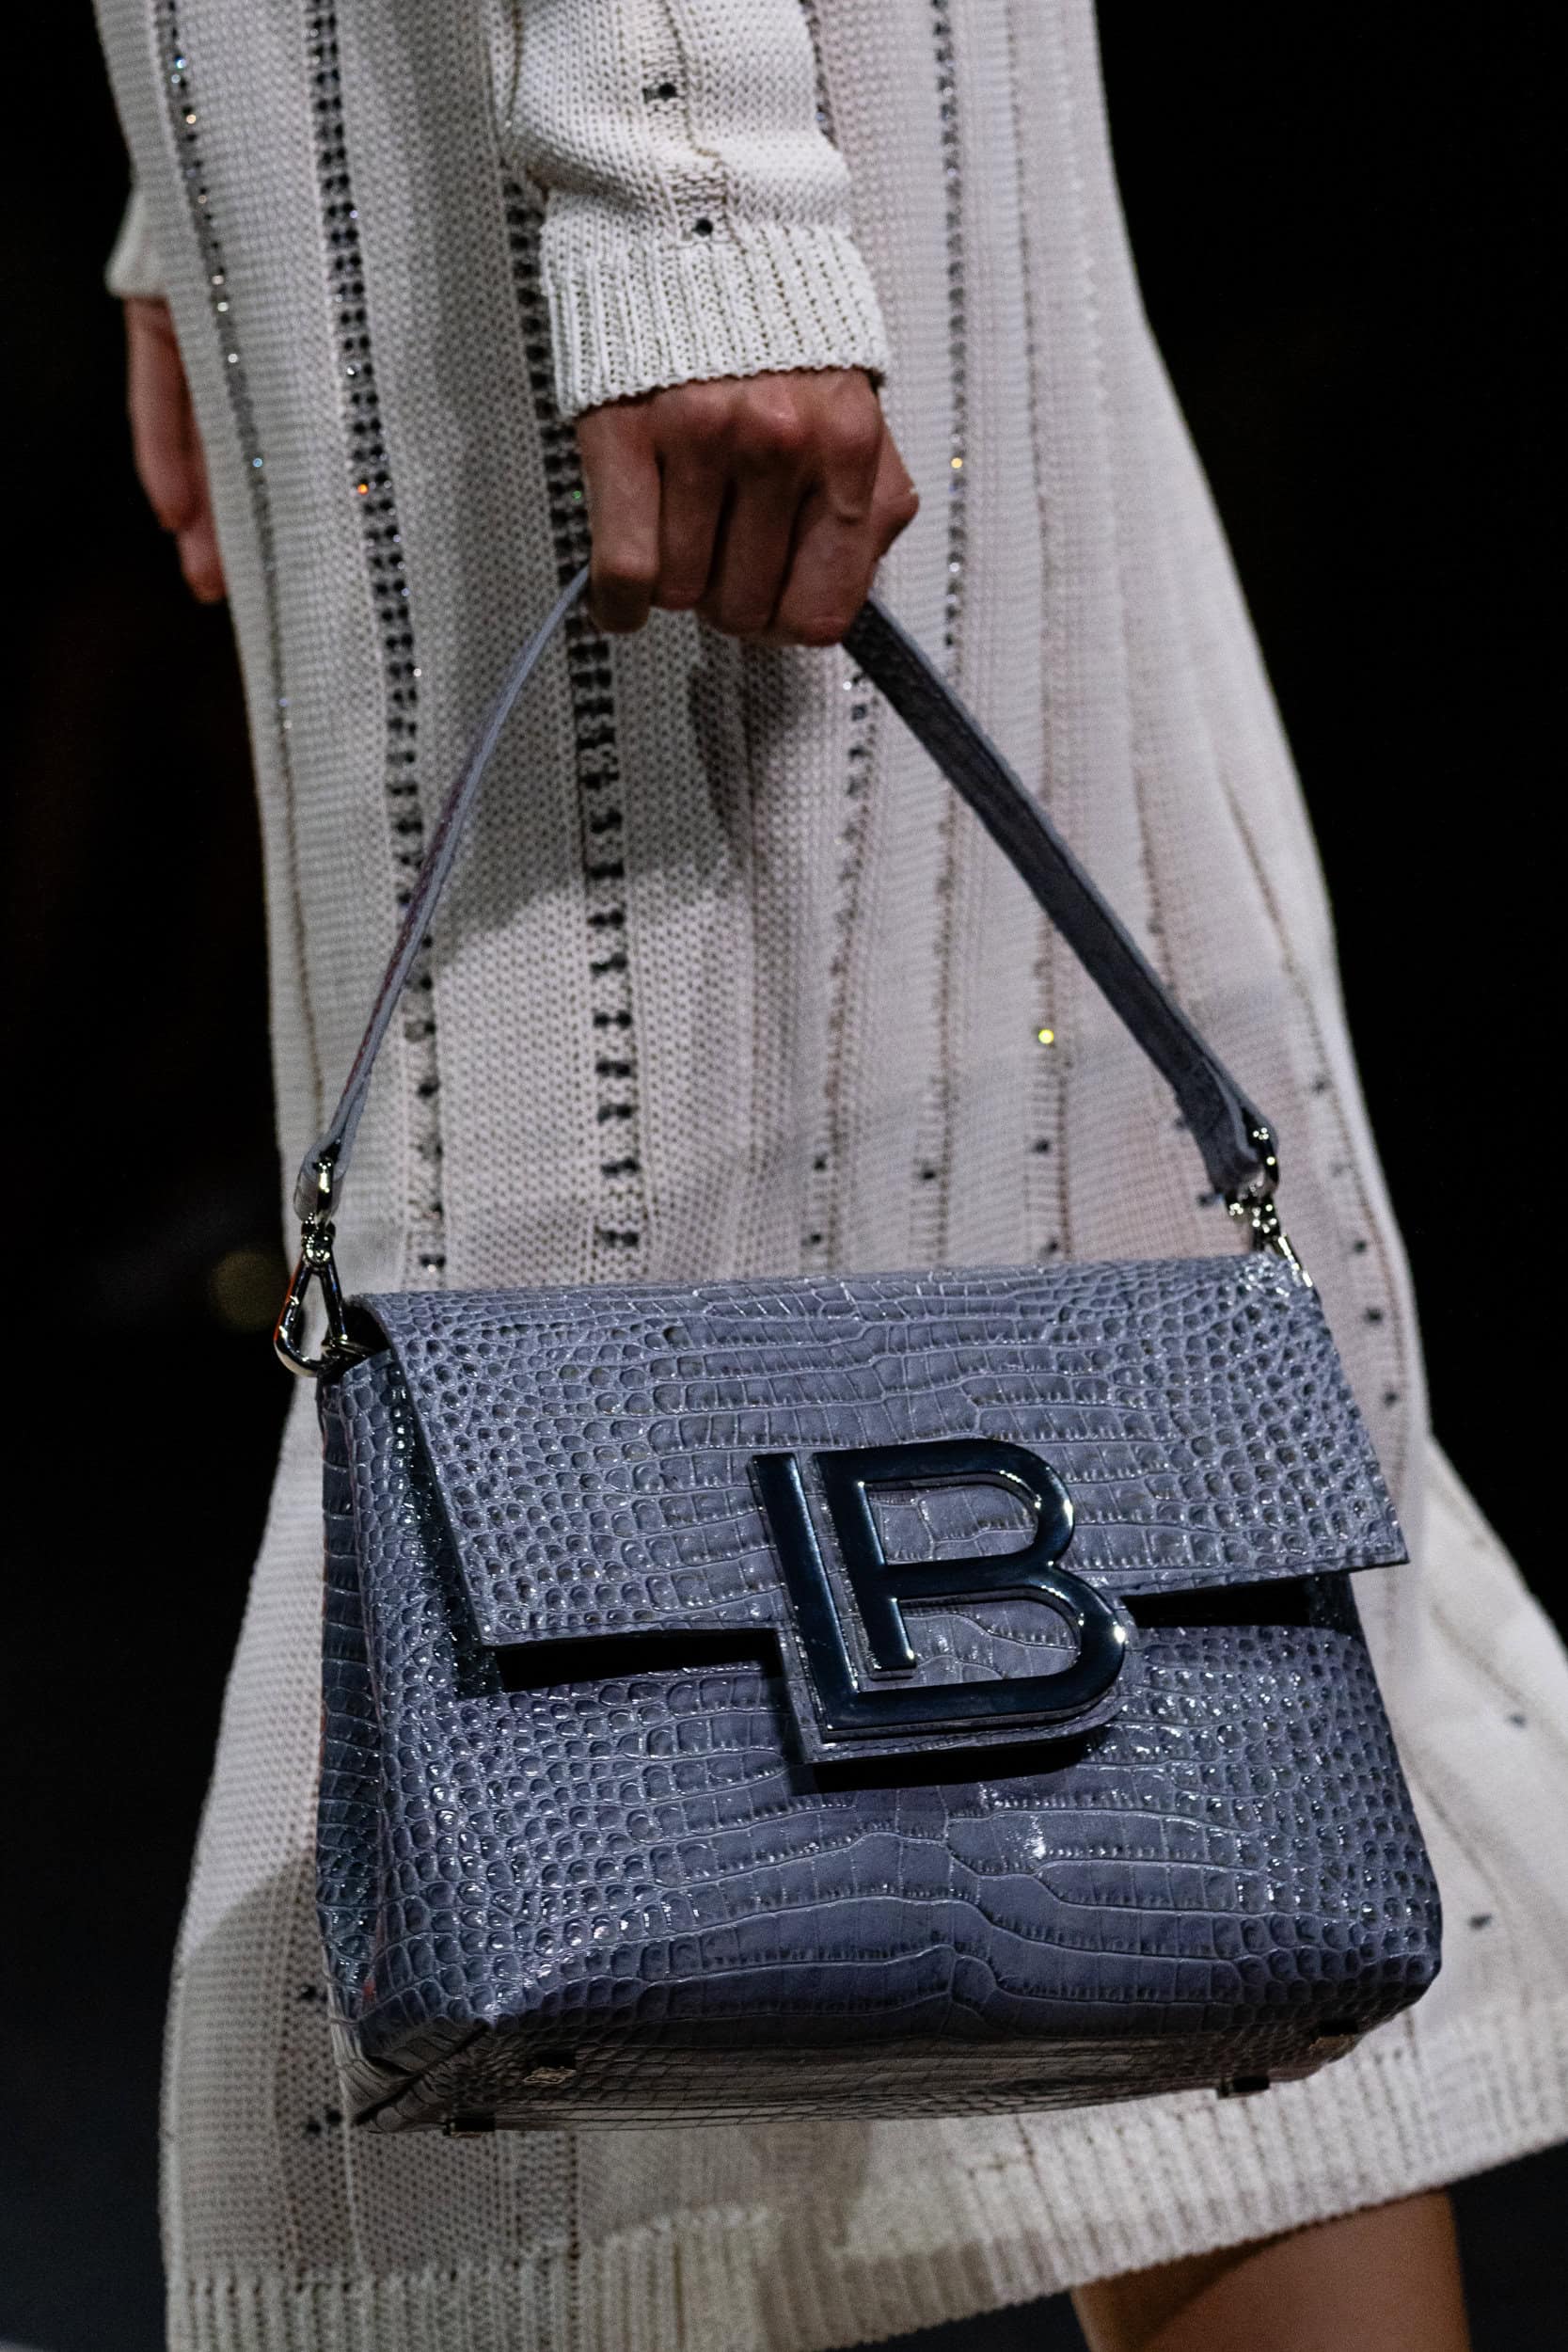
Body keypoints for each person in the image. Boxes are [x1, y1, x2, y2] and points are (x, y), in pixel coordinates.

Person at [94, 4, 1568, 2348]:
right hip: (488, 128)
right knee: (1121, 1725)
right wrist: (194, 200)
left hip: (661, 136)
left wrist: (695, 183)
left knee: (1181, 1818)